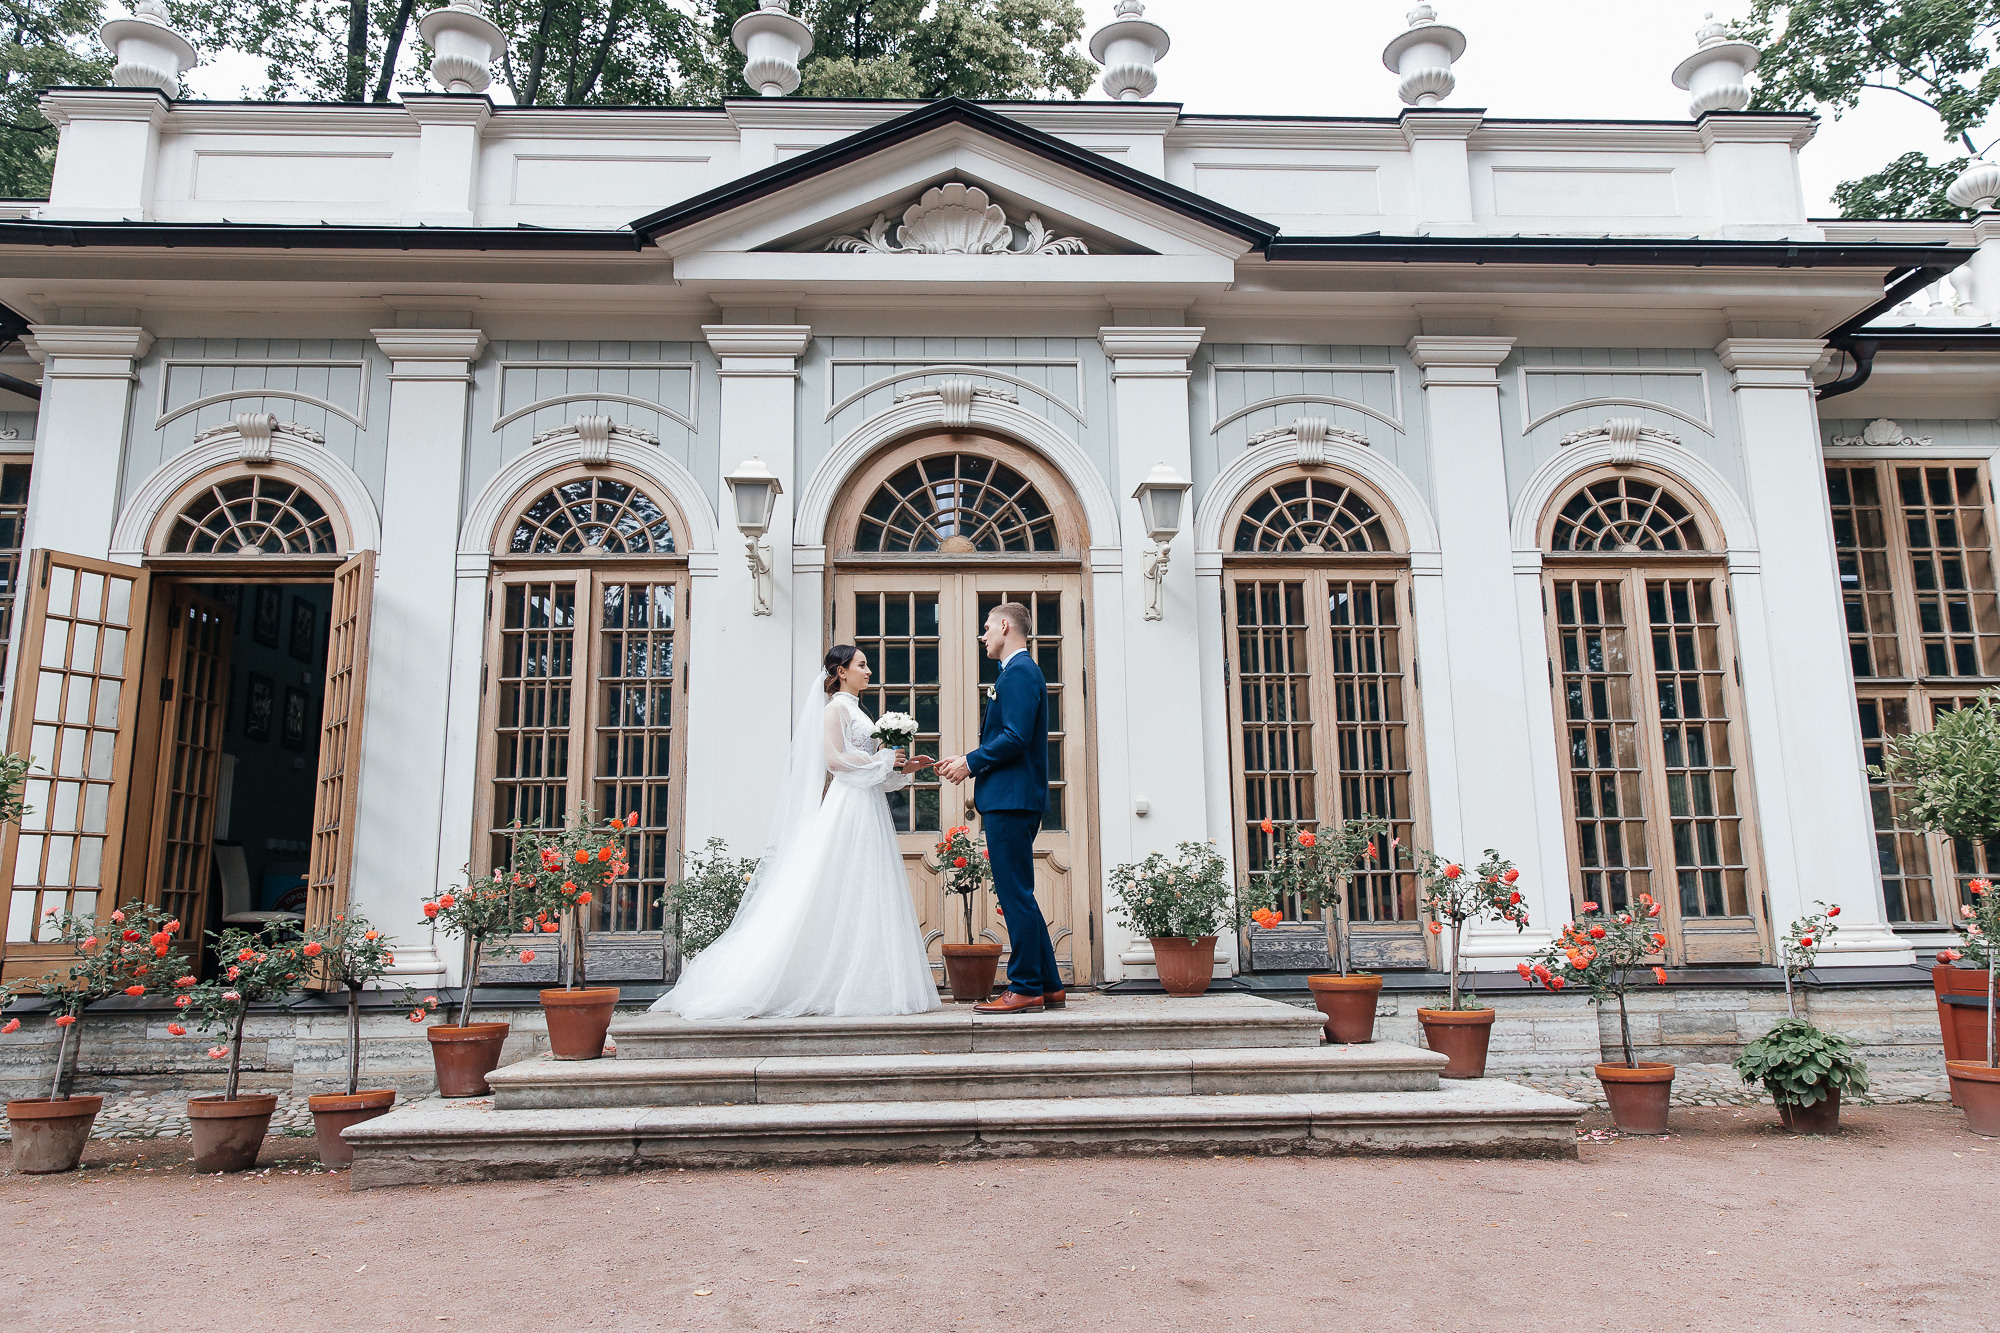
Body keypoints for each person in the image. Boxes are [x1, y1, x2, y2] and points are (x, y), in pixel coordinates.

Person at [650, 645, 940, 1020]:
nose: (869, 671)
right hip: (847, 808)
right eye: (862, 665)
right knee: (837, 884)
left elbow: (871, 773)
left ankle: (863, 980)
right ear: (841, 672)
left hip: (868, 807)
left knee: (867, 885)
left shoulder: (859, 711)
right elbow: (835, 761)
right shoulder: (835, 710)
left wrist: (902, 768)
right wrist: (882, 759)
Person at [935, 601, 1062, 1014]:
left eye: (987, 627)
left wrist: (970, 762)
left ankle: (1024, 987)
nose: (982, 635)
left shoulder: (1020, 672)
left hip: (1011, 799)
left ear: (1006, 626)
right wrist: (968, 760)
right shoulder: (1016, 672)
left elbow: (1016, 736)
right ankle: (1049, 985)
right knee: (1019, 892)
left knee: (1014, 894)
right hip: (1012, 798)